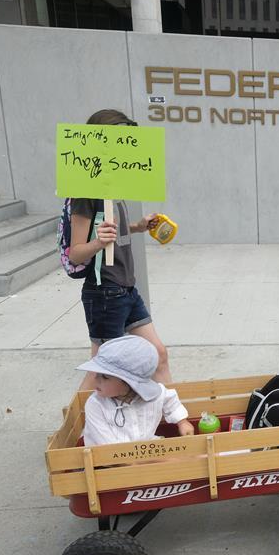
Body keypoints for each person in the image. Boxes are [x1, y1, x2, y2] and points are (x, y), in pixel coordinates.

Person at [68, 108, 172, 392]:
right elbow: (75, 253)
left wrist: (138, 226)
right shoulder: (85, 192)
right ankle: (74, 432)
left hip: (126, 289)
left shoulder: (113, 185)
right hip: (104, 294)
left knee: (159, 355)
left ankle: (176, 423)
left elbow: (117, 235)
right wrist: (97, 243)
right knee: (100, 372)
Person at [78, 336, 194, 446]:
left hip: (146, 448)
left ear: (128, 383)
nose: (96, 379)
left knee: (186, 455)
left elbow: (170, 400)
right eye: (97, 374)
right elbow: (108, 447)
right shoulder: (96, 404)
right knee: (175, 459)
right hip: (108, 460)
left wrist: (182, 422)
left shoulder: (155, 395)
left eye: (105, 377)